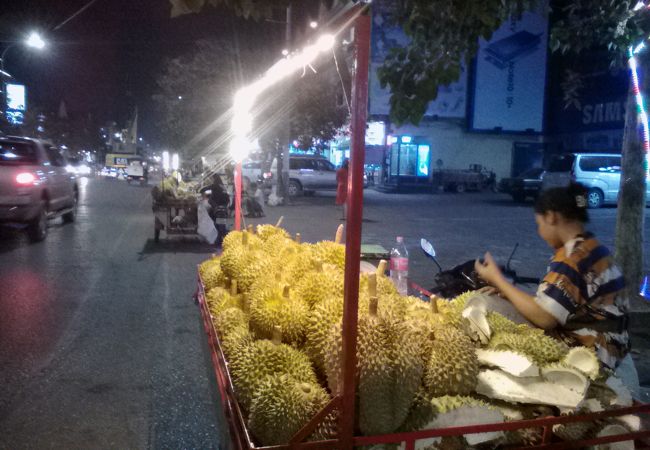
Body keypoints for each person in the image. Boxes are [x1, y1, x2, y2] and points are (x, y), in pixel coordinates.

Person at [474, 183, 636, 381]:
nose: (539, 231)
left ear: (551, 217)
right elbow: (557, 302)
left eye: (539, 224)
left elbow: (545, 317)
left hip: (593, 353)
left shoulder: (573, 257)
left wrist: (497, 279)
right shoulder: (590, 246)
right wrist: (509, 292)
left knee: (505, 338)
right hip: (614, 345)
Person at [201, 174, 230, 247]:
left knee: (219, 224)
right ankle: (221, 239)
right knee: (219, 223)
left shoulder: (215, 185)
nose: (211, 180)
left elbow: (204, 189)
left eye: (212, 178)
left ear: (214, 179)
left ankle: (221, 241)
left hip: (219, 208)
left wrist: (200, 190)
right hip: (223, 207)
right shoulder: (221, 185)